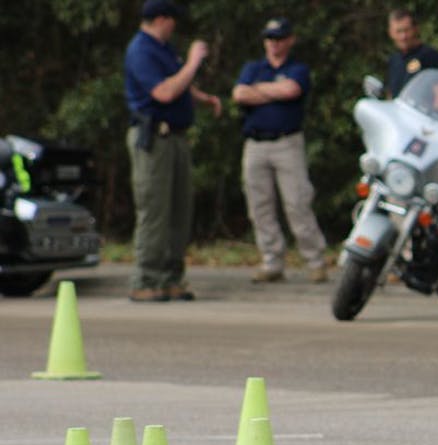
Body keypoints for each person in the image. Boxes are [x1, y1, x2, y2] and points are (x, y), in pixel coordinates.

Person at [123, 0, 222, 302]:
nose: (175, 26)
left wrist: (204, 98)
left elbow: (180, 84)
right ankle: (146, 279)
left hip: (176, 138)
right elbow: (163, 92)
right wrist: (193, 62)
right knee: (155, 210)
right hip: (154, 139)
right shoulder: (141, 50)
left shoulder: (164, 49)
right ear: (161, 19)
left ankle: (171, 277)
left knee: (180, 210)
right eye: (172, 20)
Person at [232, 17, 327, 284]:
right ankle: (271, 261)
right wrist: (272, 91)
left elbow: (291, 90)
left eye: (279, 39)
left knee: (297, 202)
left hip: (287, 143)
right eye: (270, 39)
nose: (274, 44)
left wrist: (258, 91)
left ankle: (315, 260)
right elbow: (239, 94)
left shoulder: (297, 68)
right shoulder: (253, 67)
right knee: (259, 206)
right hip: (255, 144)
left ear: (290, 40)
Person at [385, 8, 438, 98]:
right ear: (391, 33)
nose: (403, 36)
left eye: (407, 30)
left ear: (415, 29)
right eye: (398, 31)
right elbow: (390, 94)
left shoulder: (430, 56)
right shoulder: (394, 60)